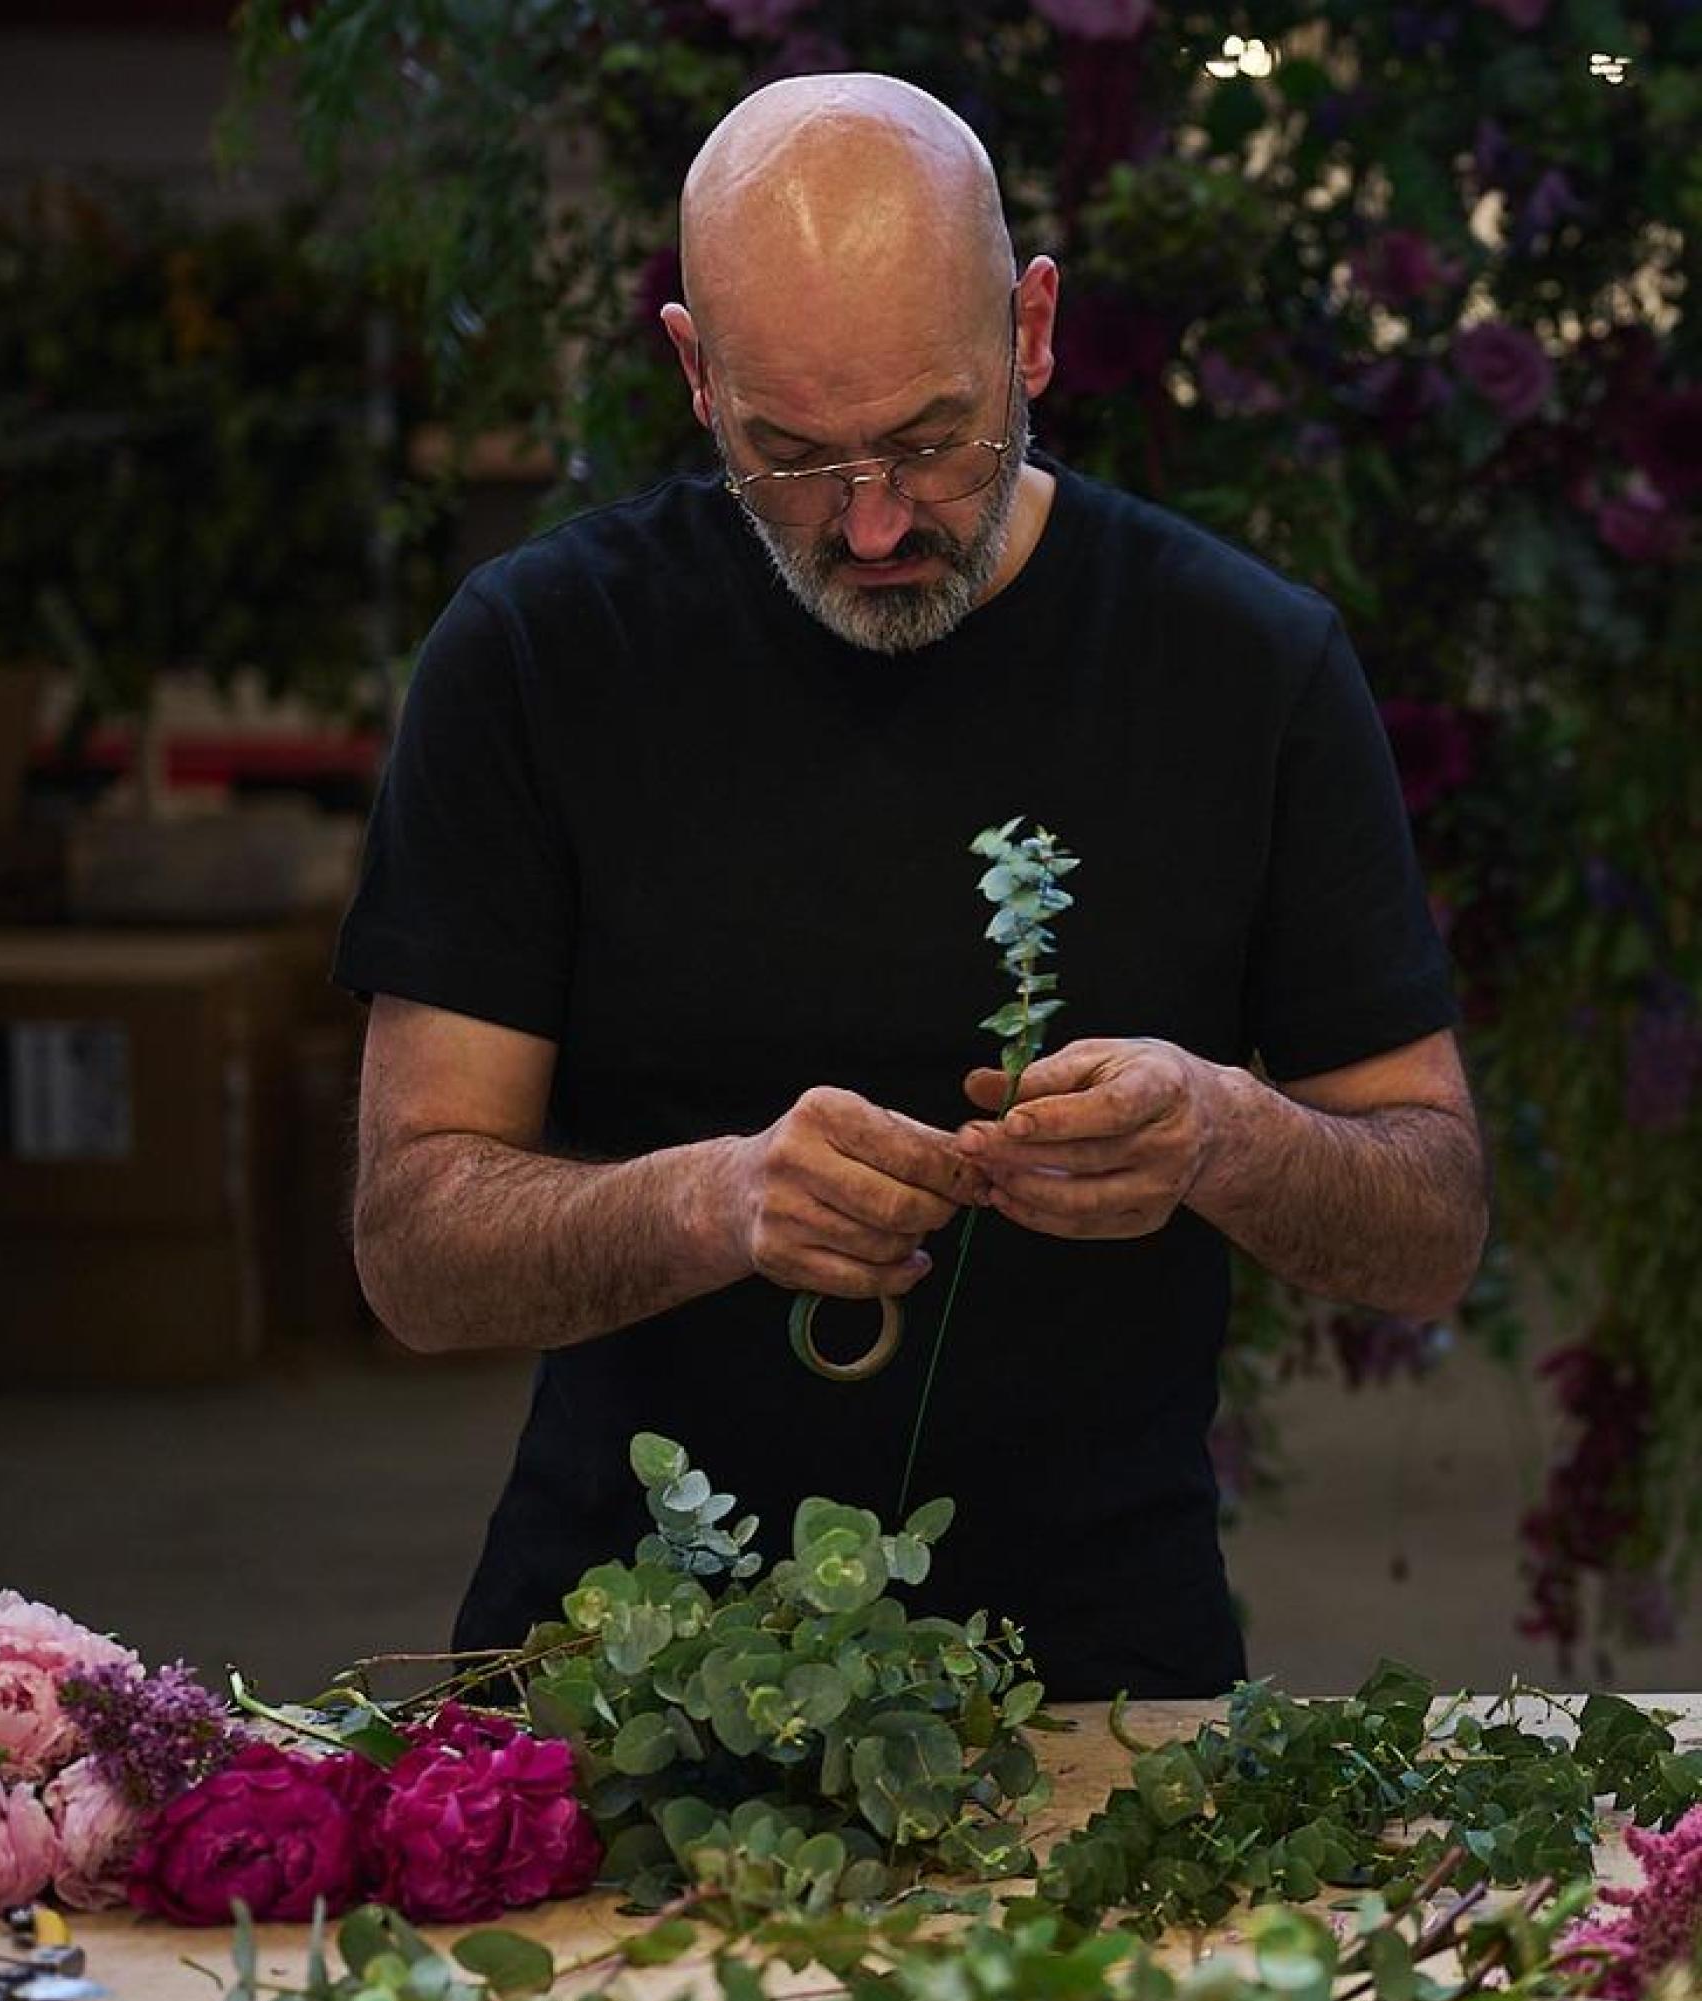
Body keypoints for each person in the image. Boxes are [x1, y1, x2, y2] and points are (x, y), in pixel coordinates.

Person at [334, 72, 1488, 1700]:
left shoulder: (1241, 665)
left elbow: (1429, 1220)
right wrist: (713, 1201)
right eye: (787, 456)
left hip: (1096, 1681)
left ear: (1030, 334)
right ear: (693, 373)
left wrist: (1225, 1133)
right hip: (618, 1677)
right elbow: (412, 1246)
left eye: (928, 441)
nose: (870, 521)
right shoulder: (539, 658)